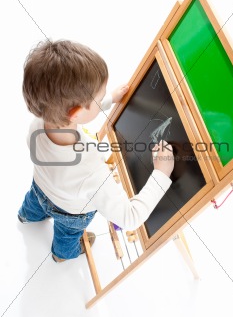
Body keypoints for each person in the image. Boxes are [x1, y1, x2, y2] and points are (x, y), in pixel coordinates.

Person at [18, 39, 174, 263]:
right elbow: (130, 217)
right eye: (99, 99)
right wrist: (161, 173)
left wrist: (110, 100)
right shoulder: (90, 169)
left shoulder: (38, 124)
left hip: (40, 189)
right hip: (70, 213)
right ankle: (62, 254)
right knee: (67, 236)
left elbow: (79, 112)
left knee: (34, 204)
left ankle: (26, 216)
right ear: (76, 114)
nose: (103, 99)